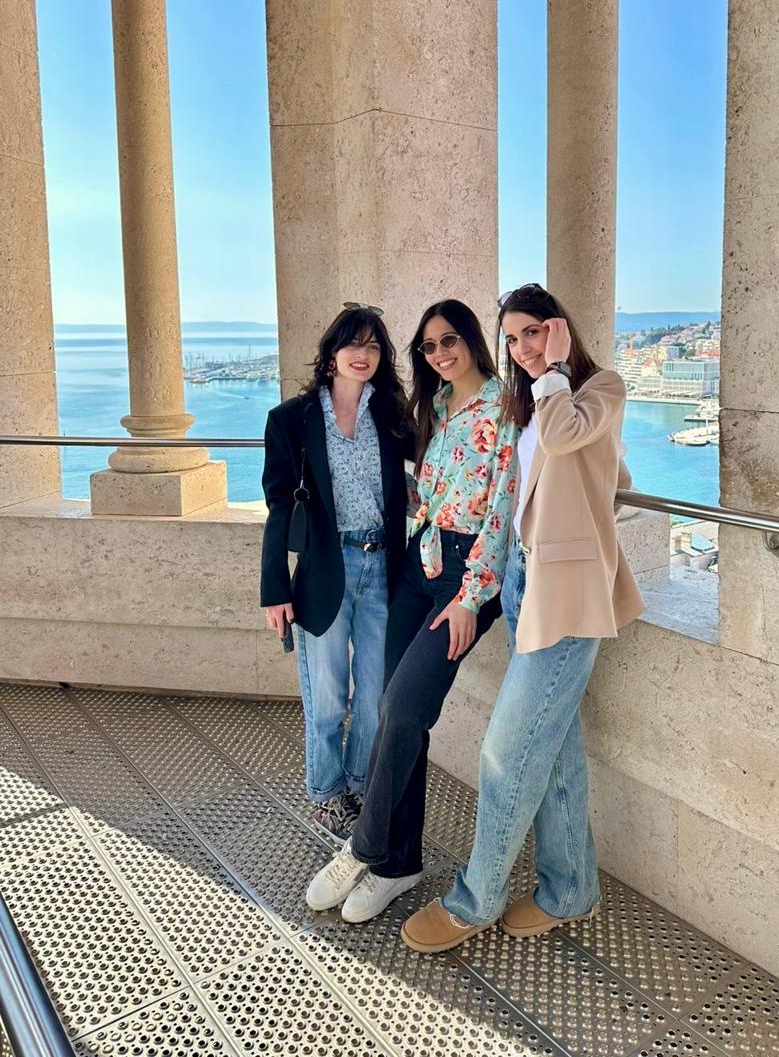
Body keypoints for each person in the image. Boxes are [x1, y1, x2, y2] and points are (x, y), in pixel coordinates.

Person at [399, 283, 644, 952]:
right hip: (520, 582)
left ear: (558, 329)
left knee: (506, 753)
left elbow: (571, 440)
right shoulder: (528, 402)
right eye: (511, 339)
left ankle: (474, 900)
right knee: (553, 749)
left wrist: (555, 370)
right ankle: (571, 891)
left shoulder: (598, 388)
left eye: (532, 332)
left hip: (568, 596)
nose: (521, 348)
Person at [304, 299, 518, 923]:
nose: (440, 353)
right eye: (428, 346)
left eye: (449, 340)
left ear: (473, 339)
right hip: (415, 565)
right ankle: (399, 864)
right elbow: (426, 490)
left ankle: (362, 848)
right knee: (392, 712)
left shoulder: (506, 407)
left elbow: (502, 510)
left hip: (463, 577)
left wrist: (471, 598)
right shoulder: (439, 406)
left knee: (403, 707)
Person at [260, 303, 411, 839]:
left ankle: (359, 783)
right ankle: (326, 793)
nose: (362, 354)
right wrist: (275, 588)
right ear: (331, 354)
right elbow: (280, 506)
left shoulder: (392, 416)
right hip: (327, 568)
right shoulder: (291, 420)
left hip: (383, 568)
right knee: (326, 696)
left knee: (374, 694)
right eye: (352, 343)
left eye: (373, 346)